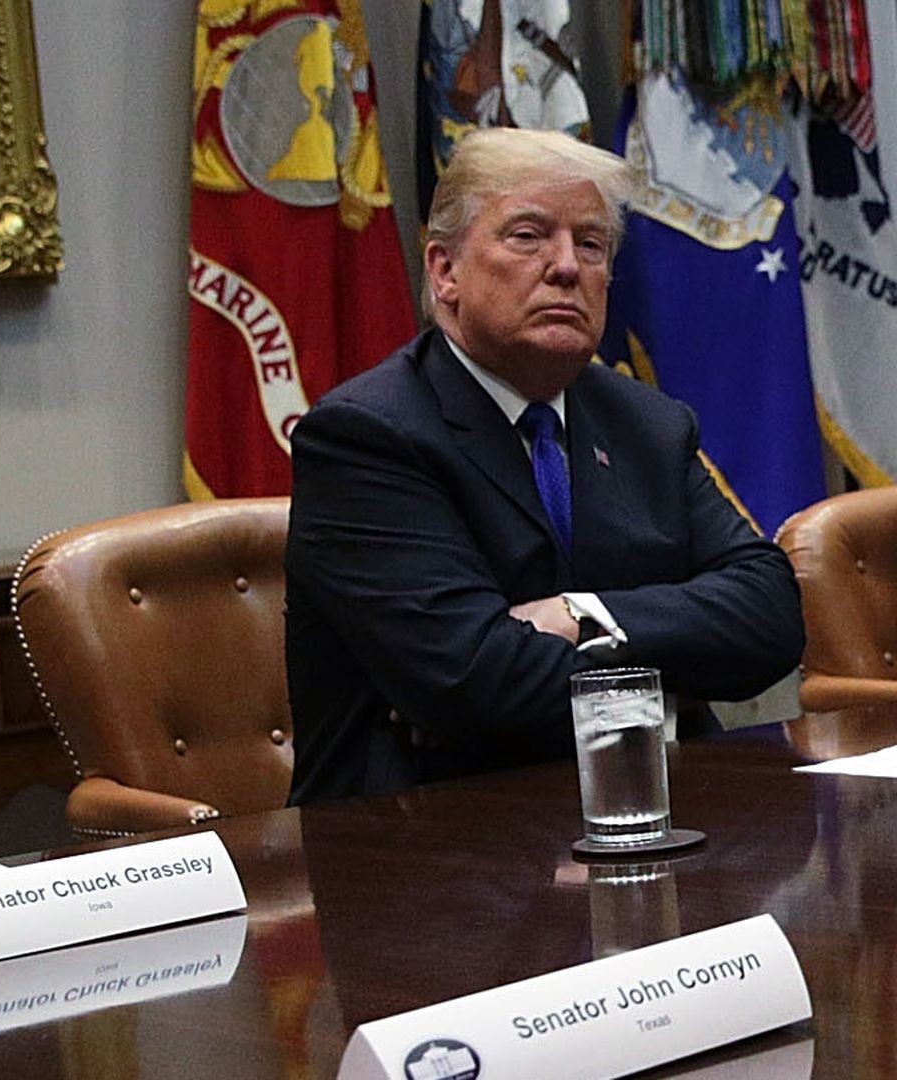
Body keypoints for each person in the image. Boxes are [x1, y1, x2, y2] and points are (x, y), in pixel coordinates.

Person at [284, 128, 804, 804]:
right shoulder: (368, 436)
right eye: (528, 236)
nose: (566, 267)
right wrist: (676, 676)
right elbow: (476, 680)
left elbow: (770, 614)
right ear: (445, 271)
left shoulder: (648, 422)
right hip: (426, 831)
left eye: (590, 244)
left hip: (649, 810)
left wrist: (579, 614)